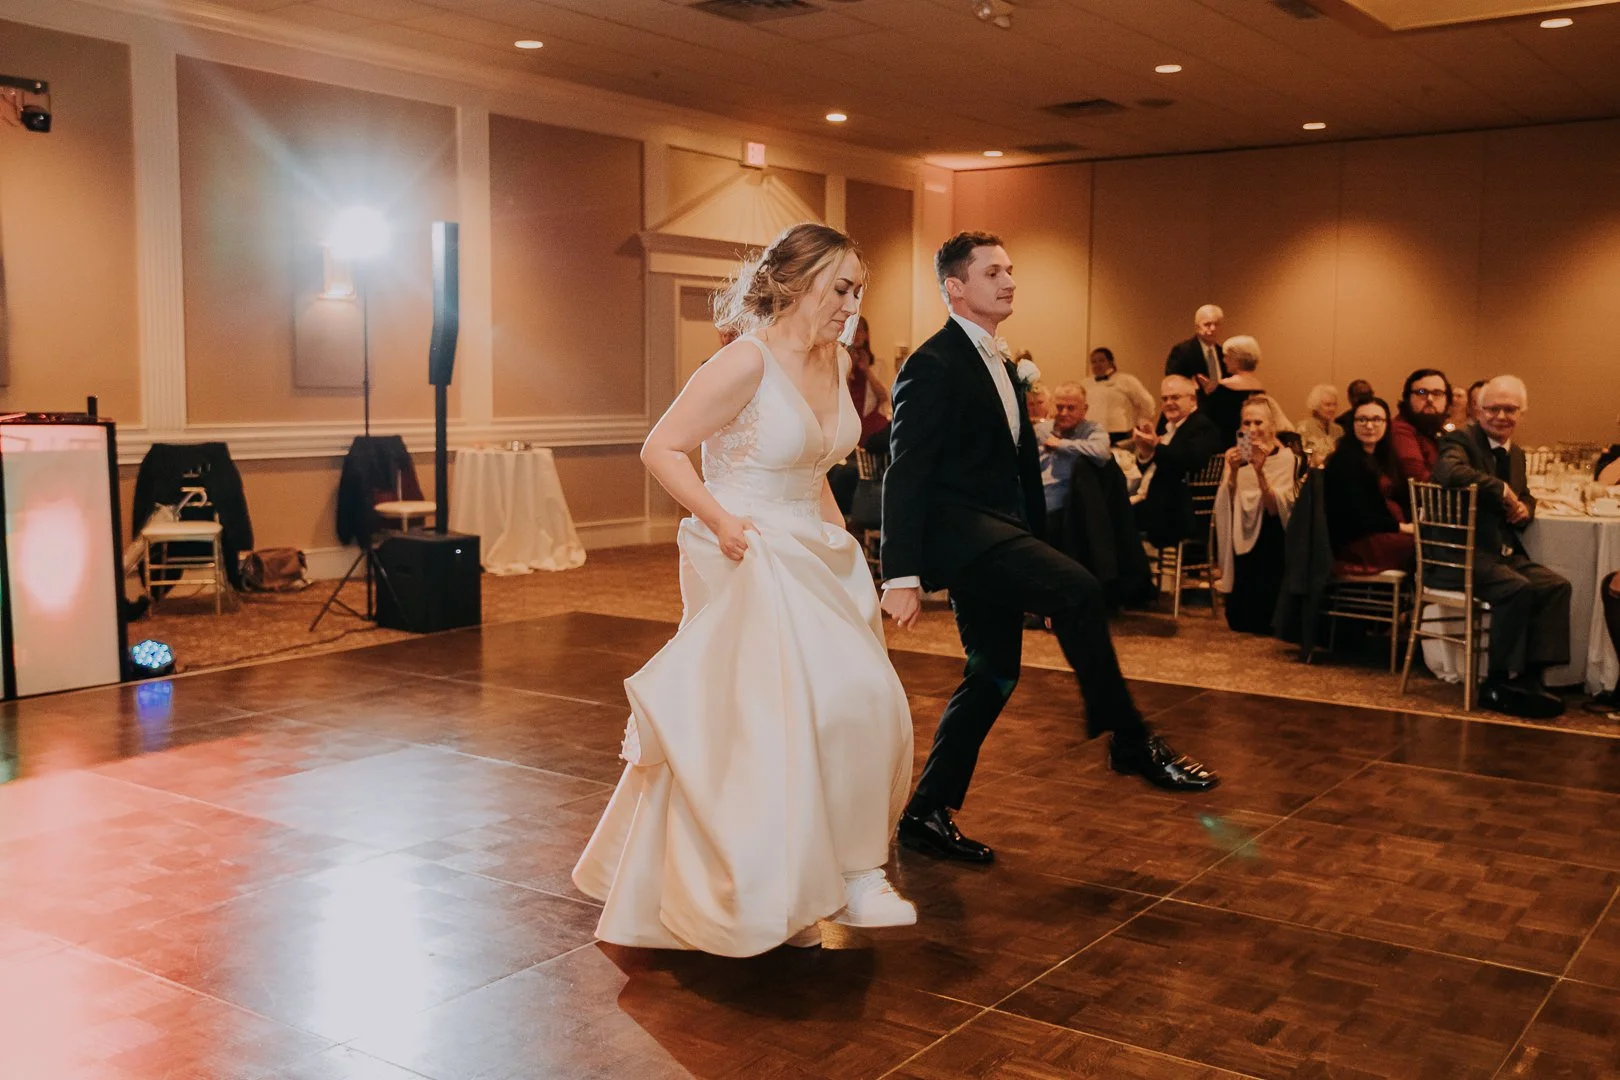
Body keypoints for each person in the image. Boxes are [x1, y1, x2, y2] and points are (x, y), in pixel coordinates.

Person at [574, 223, 916, 955]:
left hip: (815, 551)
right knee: (767, 723)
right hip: (747, 549)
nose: (852, 304)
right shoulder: (744, 362)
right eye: (841, 288)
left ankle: (822, 875)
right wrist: (721, 521)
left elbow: (816, 470)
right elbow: (660, 448)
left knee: (863, 704)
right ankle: (789, 888)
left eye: (859, 290)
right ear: (796, 284)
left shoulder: (832, 363)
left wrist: (847, 550)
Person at [881, 231, 1217, 864]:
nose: (1008, 281)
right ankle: (1129, 738)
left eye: (1010, 270)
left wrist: (1030, 536)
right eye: (992, 273)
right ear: (956, 287)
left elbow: (1014, 465)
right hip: (964, 535)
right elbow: (906, 469)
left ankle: (927, 810)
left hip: (1002, 533)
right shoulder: (932, 363)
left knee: (994, 673)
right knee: (1079, 589)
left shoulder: (1003, 363)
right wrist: (898, 573)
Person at [1432, 375, 1571, 720]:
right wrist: (1501, 490)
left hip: (1498, 554)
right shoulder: (1459, 440)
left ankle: (1531, 678)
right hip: (1458, 555)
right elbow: (1449, 472)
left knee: (1555, 586)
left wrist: (1525, 507)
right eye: (1493, 408)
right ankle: (1495, 682)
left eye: (1510, 409)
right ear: (1479, 409)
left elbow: (1523, 496)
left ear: (1521, 413)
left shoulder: (1518, 454)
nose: (1501, 416)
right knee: (1516, 588)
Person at [1214, 395, 1297, 633]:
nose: (1252, 429)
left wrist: (1260, 473)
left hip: (1272, 527)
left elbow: (1275, 508)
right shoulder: (1237, 455)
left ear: (1272, 425)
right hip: (1241, 524)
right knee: (1239, 621)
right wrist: (1231, 472)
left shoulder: (1285, 457)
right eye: (1246, 423)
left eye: (1258, 423)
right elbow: (1227, 502)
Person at [1322, 396, 1414, 574]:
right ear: (1352, 423)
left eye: (1376, 419)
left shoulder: (1385, 457)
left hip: (1384, 531)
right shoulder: (1344, 461)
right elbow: (1357, 516)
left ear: (1387, 423)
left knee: (1435, 542)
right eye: (1362, 419)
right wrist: (1403, 528)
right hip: (1358, 540)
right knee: (1427, 549)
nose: (1369, 426)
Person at [1133, 374, 1223, 549]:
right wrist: (1145, 451)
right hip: (1161, 502)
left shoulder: (1200, 426)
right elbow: (1158, 466)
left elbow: (1190, 460)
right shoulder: (1169, 427)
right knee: (1108, 512)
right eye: (1165, 398)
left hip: (1179, 510)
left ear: (1192, 399)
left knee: (1111, 517)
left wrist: (1156, 445)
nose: (1168, 403)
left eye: (1175, 397)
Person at [1203, 335, 1284, 448]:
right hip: (1249, 447)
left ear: (1237, 359)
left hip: (1226, 449)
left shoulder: (1224, 388)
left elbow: (1209, 421)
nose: (1224, 360)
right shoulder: (1259, 389)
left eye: (1226, 356)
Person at [1082, 346, 1156, 442]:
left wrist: (1141, 423)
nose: (1097, 364)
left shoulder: (1126, 380)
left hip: (1120, 433)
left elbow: (1147, 402)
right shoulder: (1085, 383)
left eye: (1101, 360)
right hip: (1092, 433)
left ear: (1111, 362)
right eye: (1094, 362)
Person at [1391, 368, 1451, 483]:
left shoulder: (1438, 431)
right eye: (1422, 392)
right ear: (1408, 398)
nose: (1430, 399)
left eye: (1437, 393)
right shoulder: (1399, 429)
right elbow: (1418, 479)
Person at [1164, 304, 1226, 393]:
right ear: (1197, 327)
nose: (1213, 328)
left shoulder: (1223, 353)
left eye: (1216, 324)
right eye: (1207, 324)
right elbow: (1173, 382)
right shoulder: (1182, 351)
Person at [1298, 384, 1340, 464]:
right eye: (1328, 405)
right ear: (1316, 406)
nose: (1332, 409)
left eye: (1334, 404)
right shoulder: (1303, 429)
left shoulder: (1339, 430)